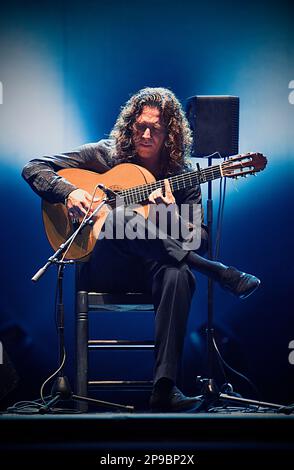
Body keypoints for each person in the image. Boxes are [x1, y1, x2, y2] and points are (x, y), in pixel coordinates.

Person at [22, 87, 260, 412]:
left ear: (170, 134)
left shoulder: (183, 175)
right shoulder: (105, 155)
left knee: (178, 272)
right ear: (130, 125)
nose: (146, 134)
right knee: (119, 216)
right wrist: (69, 193)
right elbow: (34, 167)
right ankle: (216, 271)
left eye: (156, 129)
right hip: (105, 267)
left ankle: (164, 387)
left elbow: (198, 237)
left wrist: (168, 215)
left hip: (152, 272)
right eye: (140, 126)